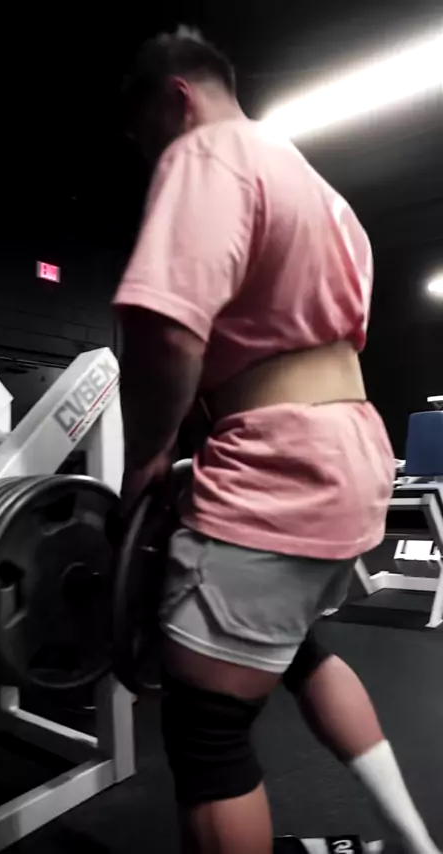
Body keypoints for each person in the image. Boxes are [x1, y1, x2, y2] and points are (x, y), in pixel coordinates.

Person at [113, 26, 440, 854]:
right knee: (296, 648)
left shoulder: (206, 153)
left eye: (149, 139)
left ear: (178, 99)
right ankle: (413, 839)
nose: (155, 158)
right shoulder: (320, 190)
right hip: (351, 456)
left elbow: (166, 333)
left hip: (282, 464)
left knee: (206, 728)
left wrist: (146, 455)